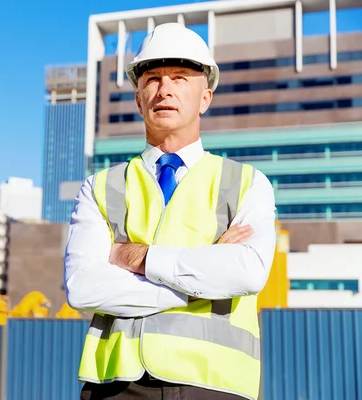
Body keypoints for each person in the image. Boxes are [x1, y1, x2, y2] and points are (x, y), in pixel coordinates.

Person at [64, 22, 277, 400]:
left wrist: (137, 257)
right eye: (153, 79)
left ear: (205, 98)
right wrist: (200, 284)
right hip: (117, 385)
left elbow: (247, 272)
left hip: (214, 384)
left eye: (180, 78)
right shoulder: (100, 187)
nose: (164, 90)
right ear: (138, 99)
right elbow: (83, 287)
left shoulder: (246, 183)